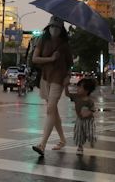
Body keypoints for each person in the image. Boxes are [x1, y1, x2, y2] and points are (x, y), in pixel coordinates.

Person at [31, 16, 73, 156]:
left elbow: (69, 64)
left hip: (58, 79)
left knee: (50, 109)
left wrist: (67, 77)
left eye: (57, 27)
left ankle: (42, 145)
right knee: (53, 110)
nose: (54, 29)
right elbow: (35, 59)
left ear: (62, 29)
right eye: (52, 26)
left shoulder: (65, 45)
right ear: (48, 27)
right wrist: (51, 59)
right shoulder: (42, 40)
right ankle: (62, 139)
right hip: (45, 78)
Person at [65, 78, 97, 155]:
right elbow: (67, 94)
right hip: (79, 119)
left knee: (90, 133)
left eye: (80, 87)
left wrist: (88, 113)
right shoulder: (76, 97)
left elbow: (93, 109)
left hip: (89, 120)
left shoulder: (89, 100)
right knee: (79, 133)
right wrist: (65, 86)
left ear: (86, 90)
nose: (77, 89)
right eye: (77, 87)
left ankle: (92, 140)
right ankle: (80, 147)